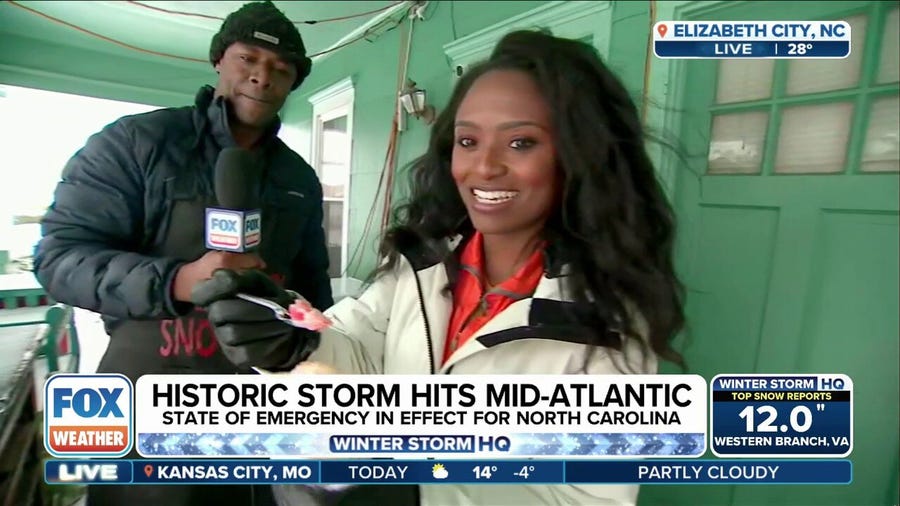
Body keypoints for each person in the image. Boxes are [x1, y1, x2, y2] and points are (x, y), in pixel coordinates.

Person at [193, 29, 686, 506]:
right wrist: (296, 340)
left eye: (521, 143)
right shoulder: (422, 262)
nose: (484, 167)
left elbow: (584, 497)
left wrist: (414, 489)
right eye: (468, 142)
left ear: (578, 156)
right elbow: (358, 352)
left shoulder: (605, 324)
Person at [33, 2, 333, 505]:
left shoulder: (298, 178)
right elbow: (59, 258)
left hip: (255, 402)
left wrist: (316, 358)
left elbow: (313, 286)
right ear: (220, 59)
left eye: (281, 69)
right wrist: (178, 280)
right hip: (144, 394)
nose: (262, 77)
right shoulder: (135, 142)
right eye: (249, 58)